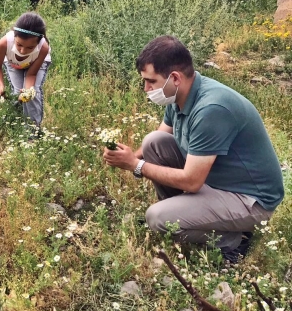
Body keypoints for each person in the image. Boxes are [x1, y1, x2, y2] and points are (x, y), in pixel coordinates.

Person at [103, 35, 284, 263]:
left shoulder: (211, 109)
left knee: (156, 217)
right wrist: (125, 156)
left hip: (251, 201)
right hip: (218, 182)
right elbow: (160, 137)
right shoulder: (180, 95)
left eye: (151, 81)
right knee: (153, 141)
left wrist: (135, 165)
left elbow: (191, 181)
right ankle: (188, 214)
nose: (146, 88)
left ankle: (234, 240)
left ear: (175, 78)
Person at [0, 12, 51, 127]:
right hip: (13, 63)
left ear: (38, 42)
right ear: (14, 36)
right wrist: (1, 86)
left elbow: (31, 75)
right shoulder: (4, 43)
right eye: (19, 45)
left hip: (36, 63)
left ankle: (32, 131)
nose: (23, 51)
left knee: (32, 94)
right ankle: (16, 122)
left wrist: (28, 90)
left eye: (30, 47)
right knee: (17, 92)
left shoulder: (43, 48)